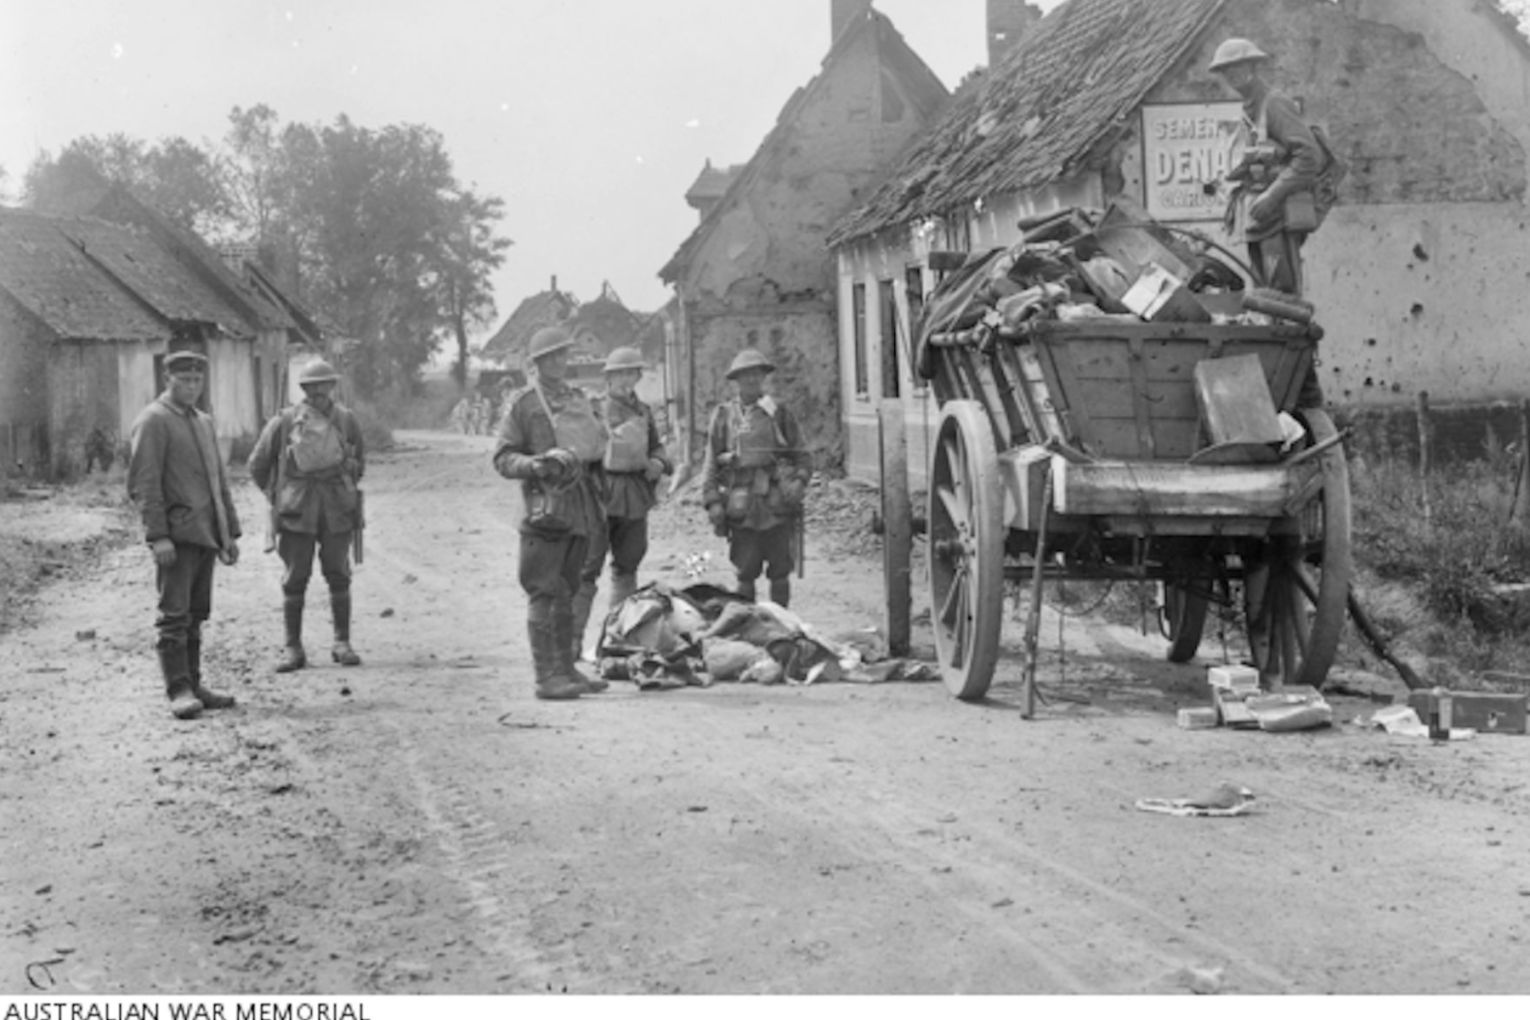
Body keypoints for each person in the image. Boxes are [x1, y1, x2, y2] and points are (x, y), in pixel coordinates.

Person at [493, 326, 610, 700]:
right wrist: (537, 464)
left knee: (568, 589)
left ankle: (566, 668)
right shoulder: (524, 404)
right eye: (551, 356)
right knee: (543, 591)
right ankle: (546, 677)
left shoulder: (580, 399)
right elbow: (502, 457)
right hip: (542, 509)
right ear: (537, 362)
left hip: (579, 508)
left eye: (563, 355)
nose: (559, 361)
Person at [126, 349, 242, 720]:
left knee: (196, 613)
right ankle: (178, 689)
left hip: (205, 533)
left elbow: (218, 482)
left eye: (197, 380)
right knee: (173, 616)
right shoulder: (154, 421)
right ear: (167, 380)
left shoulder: (204, 422)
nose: (192, 387)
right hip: (175, 538)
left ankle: (194, 682)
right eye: (184, 380)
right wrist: (157, 535)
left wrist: (230, 533)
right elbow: (145, 484)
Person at [248, 359, 366, 673]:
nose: (318, 392)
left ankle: (342, 642)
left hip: (337, 511)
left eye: (325, 385)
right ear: (303, 389)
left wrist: (344, 484)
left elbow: (360, 463)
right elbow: (257, 465)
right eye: (312, 386)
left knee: (339, 575)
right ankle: (293, 648)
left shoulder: (346, 420)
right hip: (297, 513)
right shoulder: (285, 421)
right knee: (295, 579)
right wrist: (280, 495)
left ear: (333, 387)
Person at [1209, 37, 1324, 298]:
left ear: (1253, 67)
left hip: (1277, 213)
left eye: (1238, 68)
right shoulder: (1249, 110)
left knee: (1280, 291)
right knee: (1262, 290)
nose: (1232, 76)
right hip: (1258, 216)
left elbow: (1308, 156)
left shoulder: (1274, 104)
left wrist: (1272, 197)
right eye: (1226, 71)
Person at [702, 349, 812, 608]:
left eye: (757, 375)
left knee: (780, 572)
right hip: (741, 505)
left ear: (763, 378)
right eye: (745, 376)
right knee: (745, 572)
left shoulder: (779, 414)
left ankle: (781, 625)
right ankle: (747, 625)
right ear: (736, 381)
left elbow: (804, 456)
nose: (752, 380)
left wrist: (798, 482)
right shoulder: (724, 416)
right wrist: (712, 501)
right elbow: (709, 463)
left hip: (777, 504)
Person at [581, 346, 673, 647]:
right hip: (600, 497)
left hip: (634, 496)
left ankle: (618, 638)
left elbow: (658, 447)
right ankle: (571, 648)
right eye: (620, 373)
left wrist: (658, 463)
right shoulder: (593, 410)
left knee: (628, 566)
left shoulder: (644, 412)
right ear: (608, 377)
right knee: (587, 570)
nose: (626, 379)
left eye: (631, 373)